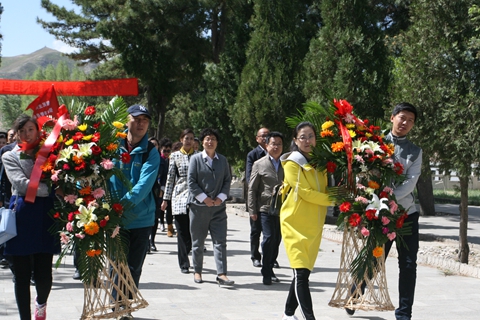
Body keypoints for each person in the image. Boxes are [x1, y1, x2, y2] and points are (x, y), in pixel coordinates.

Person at [2, 115, 61, 320]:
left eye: (30, 129)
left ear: (38, 131)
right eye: (22, 131)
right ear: (16, 134)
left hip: (46, 214)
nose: (26, 134)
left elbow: (60, 179)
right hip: (22, 215)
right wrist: (50, 188)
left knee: (44, 273)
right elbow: (22, 184)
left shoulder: (50, 153)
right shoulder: (10, 156)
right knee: (22, 274)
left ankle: (41, 303)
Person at [108, 104, 160, 320]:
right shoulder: (110, 146)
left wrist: (121, 206)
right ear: (126, 120)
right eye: (136, 118)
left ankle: (126, 306)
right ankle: (117, 306)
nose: (140, 123)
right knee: (115, 264)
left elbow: (143, 186)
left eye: (145, 120)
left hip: (140, 218)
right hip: (112, 218)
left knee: (133, 266)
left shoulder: (151, 151)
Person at [280, 121, 333, 320]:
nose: (307, 140)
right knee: (300, 274)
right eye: (302, 137)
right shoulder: (292, 163)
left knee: (302, 274)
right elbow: (305, 193)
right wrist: (333, 200)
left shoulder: (320, 164)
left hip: (314, 224)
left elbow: (324, 189)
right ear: (295, 140)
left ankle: (288, 314)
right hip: (295, 223)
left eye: (310, 136)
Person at [187, 128, 233, 285]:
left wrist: (220, 198)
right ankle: (197, 271)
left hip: (218, 208)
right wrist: (205, 199)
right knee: (198, 242)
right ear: (202, 142)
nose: (210, 141)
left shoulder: (223, 160)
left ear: (217, 142)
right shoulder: (195, 159)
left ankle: (222, 273)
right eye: (207, 139)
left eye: (213, 139)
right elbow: (191, 182)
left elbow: (227, 180)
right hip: (199, 208)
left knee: (220, 241)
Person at [248, 132, 285, 285]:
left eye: (279, 144)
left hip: (283, 208)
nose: (275, 147)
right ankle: (266, 271)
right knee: (268, 238)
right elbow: (252, 188)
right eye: (273, 144)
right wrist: (252, 210)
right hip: (265, 208)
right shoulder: (259, 164)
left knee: (277, 239)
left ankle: (270, 266)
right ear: (267, 145)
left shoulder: (287, 164)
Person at [161, 129, 197, 274]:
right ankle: (184, 263)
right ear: (181, 139)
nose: (189, 141)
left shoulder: (199, 156)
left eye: (191, 138)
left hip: (195, 197)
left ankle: (188, 251)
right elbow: (170, 179)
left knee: (192, 232)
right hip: (180, 196)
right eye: (186, 138)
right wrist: (166, 199)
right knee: (181, 231)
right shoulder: (175, 156)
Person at [245, 127, 270, 268]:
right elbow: (249, 179)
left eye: (267, 135)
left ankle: (270, 256)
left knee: (272, 233)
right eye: (262, 136)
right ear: (257, 138)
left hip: (271, 200)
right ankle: (255, 256)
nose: (265, 138)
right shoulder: (253, 155)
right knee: (256, 230)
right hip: (256, 198)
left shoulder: (276, 154)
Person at [157, 138, 174, 236]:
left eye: (168, 151)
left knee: (169, 208)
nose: (167, 153)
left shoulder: (171, 160)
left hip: (169, 187)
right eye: (165, 151)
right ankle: (161, 222)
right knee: (161, 207)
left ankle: (169, 226)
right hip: (160, 187)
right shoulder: (158, 160)